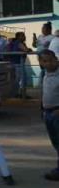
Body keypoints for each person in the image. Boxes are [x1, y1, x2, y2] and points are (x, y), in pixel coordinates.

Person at [39, 50, 59, 181]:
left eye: (51, 60)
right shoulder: (44, 74)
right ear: (41, 63)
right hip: (48, 112)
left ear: (56, 59)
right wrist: (42, 109)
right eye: (45, 61)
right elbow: (44, 93)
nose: (49, 63)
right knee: (56, 142)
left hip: (57, 112)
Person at [7, 32, 31, 98]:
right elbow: (26, 50)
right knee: (22, 80)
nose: (24, 37)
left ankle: (18, 94)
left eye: (24, 35)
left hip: (15, 63)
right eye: (22, 36)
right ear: (18, 37)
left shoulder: (15, 43)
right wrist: (28, 49)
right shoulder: (18, 43)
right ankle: (21, 95)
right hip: (18, 64)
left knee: (17, 80)